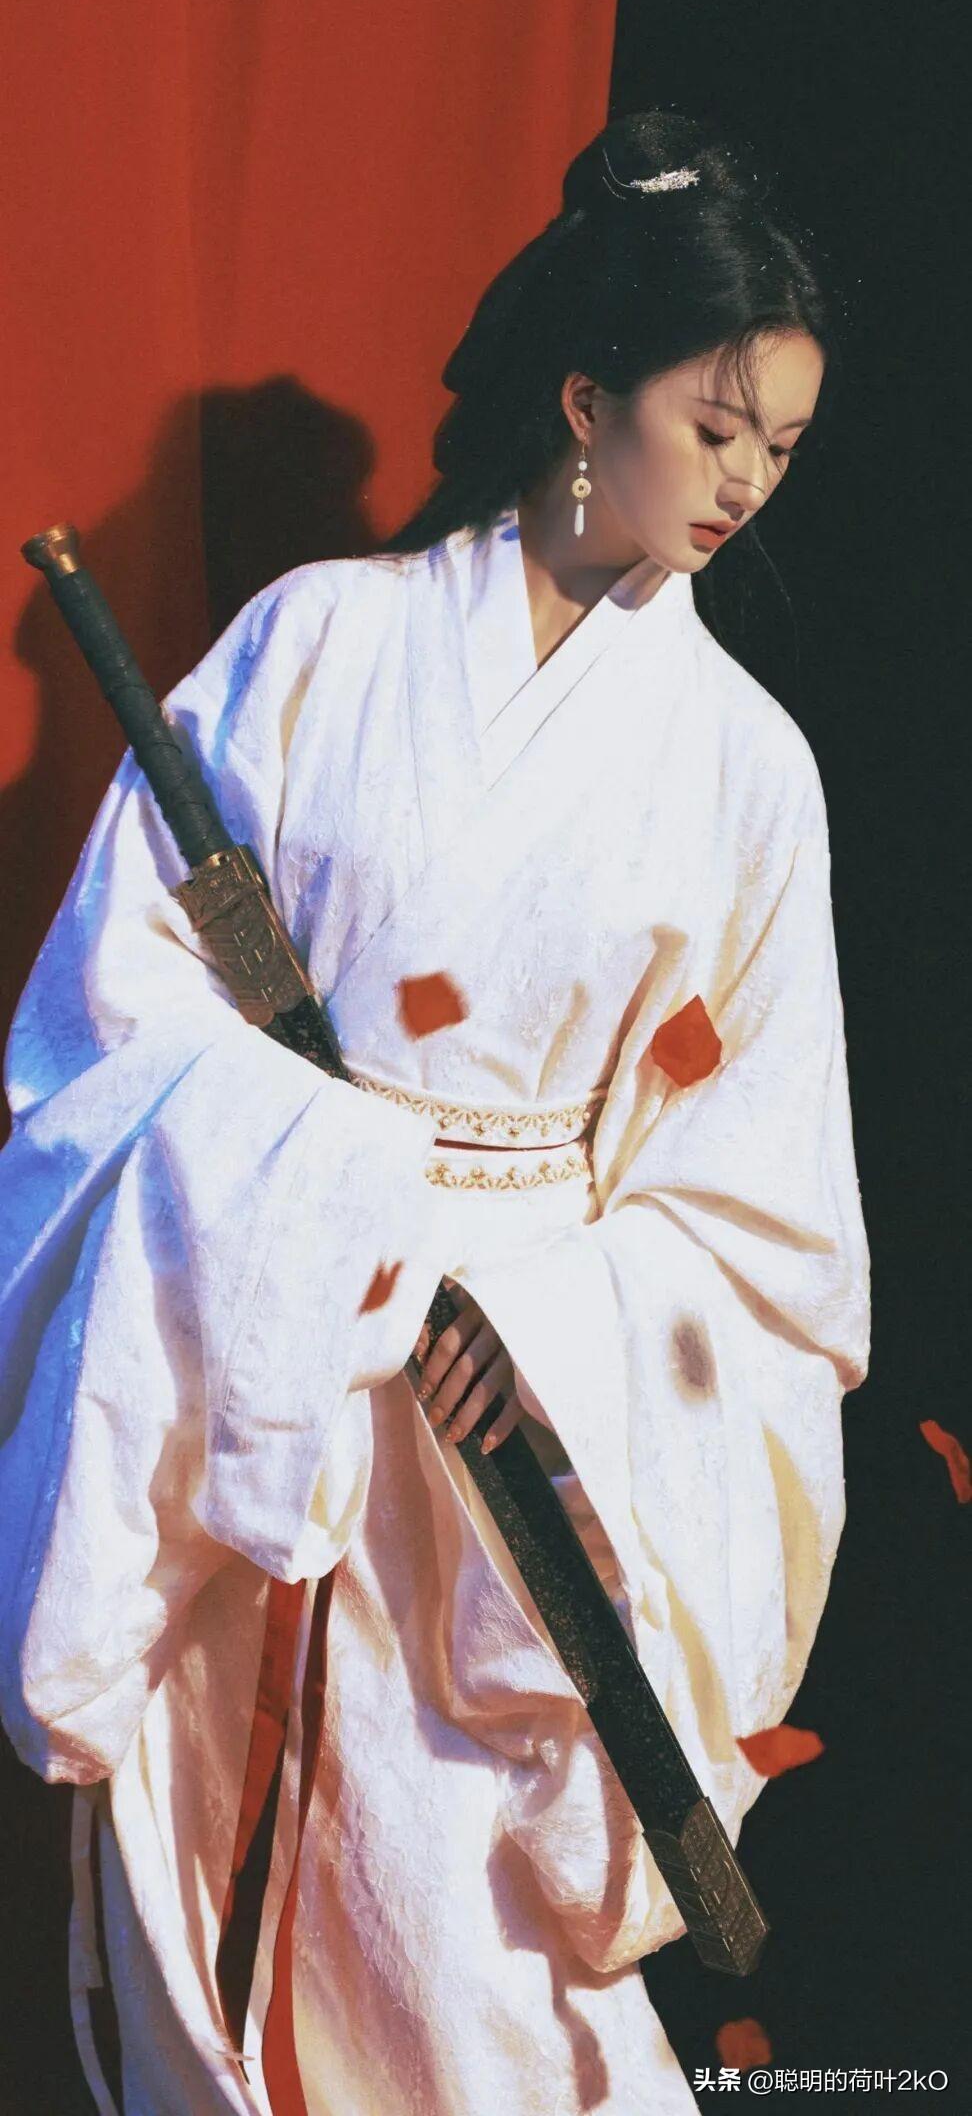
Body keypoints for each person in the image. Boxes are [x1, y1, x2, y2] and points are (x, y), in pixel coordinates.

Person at [0, 107, 870, 2116]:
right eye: (715, 424)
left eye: (781, 445)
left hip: (511, 1424)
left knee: (471, 1975)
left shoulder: (747, 770)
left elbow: (763, 1212)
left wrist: (549, 1331)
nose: (746, 479)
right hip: (265, 1359)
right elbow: (117, 1010)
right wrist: (319, 1196)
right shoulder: (320, 641)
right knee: (221, 1911)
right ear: (587, 398)